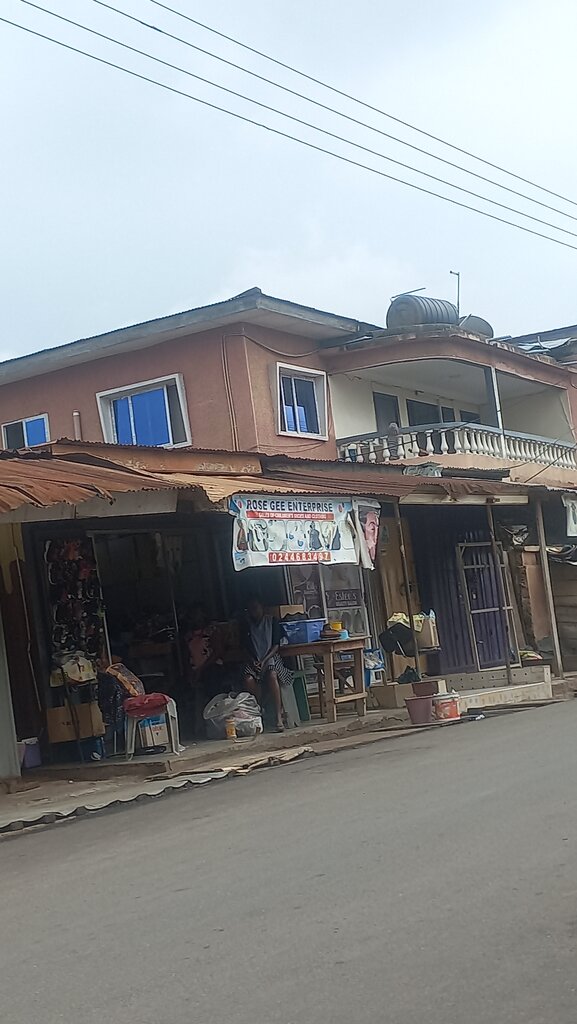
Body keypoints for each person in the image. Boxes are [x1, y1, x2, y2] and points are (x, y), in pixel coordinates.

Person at [242, 596, 292, 731]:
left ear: (262, 607)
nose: (254, 612)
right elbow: (245, 648)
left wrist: (264, 660)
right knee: (248, 679)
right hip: (255, 660)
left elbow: (276, 645)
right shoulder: (247, 625)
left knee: (272, 675)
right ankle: (259, 709)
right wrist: (253, 661)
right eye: (251, 609)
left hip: (271, 657)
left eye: (256, 608)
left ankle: (278, 716)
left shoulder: (272, 621)